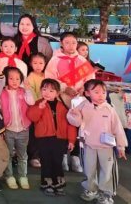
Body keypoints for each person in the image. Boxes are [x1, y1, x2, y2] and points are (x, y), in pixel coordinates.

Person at [67, 79, 128, 204]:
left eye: (103, 92)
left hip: (106, 146)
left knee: (107, 170)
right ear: (87, 93)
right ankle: (91, 189)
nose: (101, 95)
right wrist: (73, 114)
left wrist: (121, 146)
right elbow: (76, 122)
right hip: (88, 145)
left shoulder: (109, 108)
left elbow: (118, 128)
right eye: (96, 92)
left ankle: (106, 194)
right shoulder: (83, 106)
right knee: (89, 169)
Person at [46, 32, 96, 173]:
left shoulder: (82, 60)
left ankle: (75, 157)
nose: (71, 45)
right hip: (61, 98)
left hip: (79, 99)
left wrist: (83, 90)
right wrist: (64, 88)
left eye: (73, 42)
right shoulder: (55, 60)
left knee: (78, 126)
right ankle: (62, 156)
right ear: (61, 43)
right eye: (67, 42)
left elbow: (90, 78)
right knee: (62, 126)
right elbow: (50, 78)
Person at [27, 78, 77, 196]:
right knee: (46, 161)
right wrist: (39, 108)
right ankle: (46, 184)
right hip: (43, 138)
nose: (47, 93)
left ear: (57, 93)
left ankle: (58, 184)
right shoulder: (38, 103)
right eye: (44, 89)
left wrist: (71, 140)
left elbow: (70, 124)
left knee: (57, 161)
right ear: (40, 90)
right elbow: (32, 117)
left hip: (60, 139)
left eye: (51, 91)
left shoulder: (63, 106)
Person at [0, 66, 35, 190]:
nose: (14, 81)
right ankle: (9, 176)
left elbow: (31, 102)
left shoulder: (23, 91)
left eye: (17, 79)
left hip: (23, 129)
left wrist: (28, 90)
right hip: (8, 129)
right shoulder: (2, 93)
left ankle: (23, 176)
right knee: (7, 154)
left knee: (22, 155)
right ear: (6, 79)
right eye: (11, 78)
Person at [26, 52, 47, 168]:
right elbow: (31, 94)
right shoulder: (30, 77)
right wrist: (38, 104)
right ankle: (34, 156)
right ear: (30, 64)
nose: (38, 66)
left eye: (41, 63)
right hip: (36, 108)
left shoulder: (47, 75)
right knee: (34, 133)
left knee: (44, 132)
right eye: (35, 63)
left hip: (46, 108)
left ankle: (42, 155)